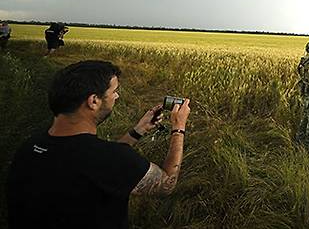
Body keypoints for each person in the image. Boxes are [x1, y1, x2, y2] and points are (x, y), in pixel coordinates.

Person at [6, 60, 191, 229]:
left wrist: (138, 130)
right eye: (113, 91)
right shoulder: (107, 160)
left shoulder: (30, 147)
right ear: (93, 101)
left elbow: (101, 162)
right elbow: (166, 183)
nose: (116, 96)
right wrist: (178, 128)